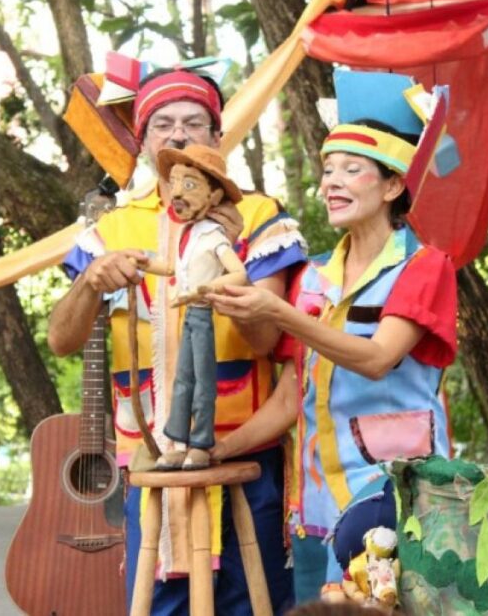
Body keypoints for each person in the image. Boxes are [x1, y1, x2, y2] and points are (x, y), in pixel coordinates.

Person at [49, 66, 305, 615]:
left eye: (194, 123)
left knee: (249, 603)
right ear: (144, 143)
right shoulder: (111, 230)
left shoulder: (257, 216)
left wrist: (232, 282)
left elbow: (266, 343)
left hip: (246, 457)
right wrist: (92, 282)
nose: (179, 135)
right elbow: (61, 340)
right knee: (163, 603)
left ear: (218, 137)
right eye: (162, 125)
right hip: (149, 460)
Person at [207, 117, 458, 603]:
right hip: (315, 503)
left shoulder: (425, 266)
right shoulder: (312, 275)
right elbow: (287, 399)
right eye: (327, 170)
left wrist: (280, 312)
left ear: (392, 185)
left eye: (350, 169)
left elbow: (378, 358)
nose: (331, 182)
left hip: (395, 489)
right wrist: (215, 452)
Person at [156, 145, 248, 471]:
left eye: (190, 185)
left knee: (203, 382)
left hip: (201, 314)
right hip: (188, 318)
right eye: (175, 183)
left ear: (214, 196)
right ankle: (177, 442)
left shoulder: (213, 235)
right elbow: (173, 269)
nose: (177, 193)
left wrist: (205, 289)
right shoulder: (187, 233)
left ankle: (200, 442)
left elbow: (239, 273)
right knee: (183, 381)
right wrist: (139, 263)